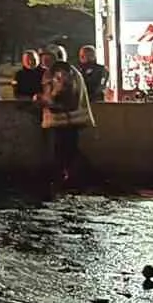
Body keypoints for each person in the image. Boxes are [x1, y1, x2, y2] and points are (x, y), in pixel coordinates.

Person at [39, 45, 94, 193]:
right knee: (69, 150)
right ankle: (75, 181)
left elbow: (62, 95)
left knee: (63, 151)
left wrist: (44, 100)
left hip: (64, 120)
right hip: (68, 120)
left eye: (48, 57)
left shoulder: (61, 72)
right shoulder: (68, 71)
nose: (44, 60)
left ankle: (68, 182)